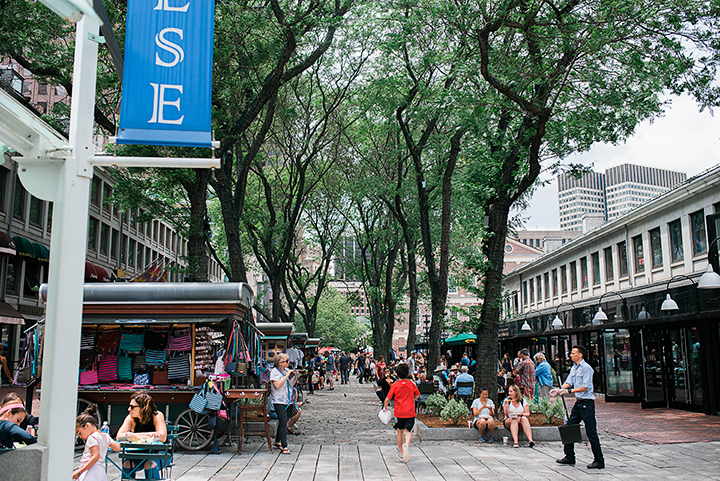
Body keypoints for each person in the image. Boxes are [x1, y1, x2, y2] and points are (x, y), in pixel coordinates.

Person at [552, 345, 605, 470]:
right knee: (569, 427)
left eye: (573, 353)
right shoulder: (574, 368)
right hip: (579, 403)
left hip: (587, 403)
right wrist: (559, 390)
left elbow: (586, 387)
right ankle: (569, 456)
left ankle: (599, 460)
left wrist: (569, 391)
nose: (571, 355)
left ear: (580, 355)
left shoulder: (586, 368)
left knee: (591, 432)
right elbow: (568, 382)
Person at [116, 391, 168, 479]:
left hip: (157, 453)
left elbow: (162, 437)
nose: (129, 409)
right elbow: (119, 436)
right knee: (127, 464)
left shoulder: (157, 415)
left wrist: (135, 436)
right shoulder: (131, 417)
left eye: (132, 407)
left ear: (143, 408)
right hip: (137, 452)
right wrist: (151, 435)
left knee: (150, 464)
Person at [382, 363, 419, 463]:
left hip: (399, 412)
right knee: (408, 431)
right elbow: (417, 395)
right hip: (410, 411)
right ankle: (406, 444)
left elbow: (387, 399)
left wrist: (385, 407)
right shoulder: (411, 384)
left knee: (399, 431)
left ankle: (401, 452)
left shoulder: (395, 385)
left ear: (397, 374)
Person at [73, 404, 120, 480]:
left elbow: (95, 456)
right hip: (99, 469)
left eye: (80, 433)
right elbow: (117, 448)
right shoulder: (105, 436)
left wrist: (79, 472)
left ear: (87, 426)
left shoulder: (92, 438)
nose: (81, 437)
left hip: (90, 470)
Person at [269, 353, 296, 454]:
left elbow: (291, 385)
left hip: (287, 400)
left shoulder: (287, 371)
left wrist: (293, 377)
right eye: (286, 361)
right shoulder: (274, 372)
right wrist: (287, 376)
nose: (288, 363)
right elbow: (277, 385)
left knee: (284, 421)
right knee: (284, 422)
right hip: (278, 400)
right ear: (280, 363)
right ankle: (284, 446)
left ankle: (277, 441)